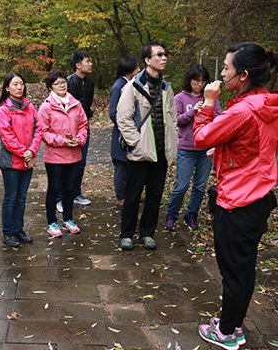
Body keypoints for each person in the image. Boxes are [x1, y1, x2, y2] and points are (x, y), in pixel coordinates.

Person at [194, 43, 278, 349]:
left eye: (226, 69)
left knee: (233, 272)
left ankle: (227, 332)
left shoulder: (242, 110)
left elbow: (201, 138)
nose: (221, 75)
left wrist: (207, 103)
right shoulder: (267, 102)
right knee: (244, 267)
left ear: (242, 75)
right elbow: (250, 144)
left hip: (237, 201)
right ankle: (234, 324)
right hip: (260, 195)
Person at [116, 41, 178, 251]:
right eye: (159, 54)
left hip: (161, 152)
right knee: (132, 196)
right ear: (147, 60)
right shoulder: (132, 86)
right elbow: (122, 118)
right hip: (141, 152)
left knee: (155, 195)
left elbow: (173, 118)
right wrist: (136, 143)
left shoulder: (166, 87)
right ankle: (126, 234)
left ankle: (147, 233)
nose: (164, 58)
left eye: (165, 54)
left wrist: (173, 142)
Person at [165, 65, 221, 231]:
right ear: (189, 80)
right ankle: (171, 215)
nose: (200, 84)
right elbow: (177, 121)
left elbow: (218, 118)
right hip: (186, 148)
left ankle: (192, 215)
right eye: (196, 80)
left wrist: (207, 109)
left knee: (199, 186)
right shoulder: (180, 98)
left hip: (205, 150)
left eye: (203, 81)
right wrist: (193, 112)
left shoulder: (211, 98)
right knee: (181, 185)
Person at [0, 72, 42, 247]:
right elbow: (7, 138)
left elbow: (39, 129)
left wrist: (32, 150)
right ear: (7, 88)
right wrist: (26, 153)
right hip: (12, 162)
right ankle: (8, 232)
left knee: (22, 197)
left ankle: (18, 229)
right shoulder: (3, 110)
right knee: (11, 197)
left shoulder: (29, 107)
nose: (19, 87)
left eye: (21, 83)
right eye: (15, 84)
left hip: (27, 159)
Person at [38, 70, 88, 238]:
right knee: (54, 189)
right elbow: (43, 132)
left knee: (69, 189)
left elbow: (83, 125)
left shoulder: (76, 103)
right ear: (50, 87)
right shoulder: (46, 106)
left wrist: (80, 139)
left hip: (74, 154)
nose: (62, 85)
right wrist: (63, 141)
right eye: (57, 83)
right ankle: (51, 222)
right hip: (55, 156)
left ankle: (68, 219)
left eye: (64, 82)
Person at [64, 50, 95, 206]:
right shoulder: (68, 82)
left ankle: (76, 194)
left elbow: (87, 105)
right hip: (69, 129)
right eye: (87, 61)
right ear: (78, 65)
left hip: (84, 127)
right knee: (67, 163)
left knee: (81, 162)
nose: (90, 64)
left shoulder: (90, 83)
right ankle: (63, 197)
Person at [109, 57, 141, 207]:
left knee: (130, 165)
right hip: (122, 133)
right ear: (130, 69)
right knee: (121, 166)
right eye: (137, 67)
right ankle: (121, 196)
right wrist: (126, 126)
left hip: (131, 131)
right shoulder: (119, 86)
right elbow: (113, 113)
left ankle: (130, 193)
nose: (139, 70)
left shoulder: (131, 84)